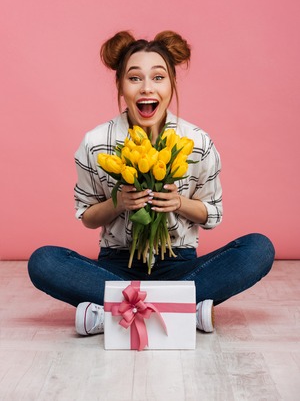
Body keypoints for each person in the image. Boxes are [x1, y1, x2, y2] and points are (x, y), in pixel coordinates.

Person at [28, 30, 275, 335]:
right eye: (134, 78)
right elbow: (87, 217)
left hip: (181, 265)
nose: (147, 88)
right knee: (43, 261)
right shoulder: (96, 142)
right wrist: (117, 203)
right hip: (116, 266)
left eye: (158, 77)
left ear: (172, 84)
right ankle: (180, 309)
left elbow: (213, 214)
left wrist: (180, 203)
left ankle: (120, 310)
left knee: (259, 249)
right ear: (121, 85)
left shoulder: (196, 141)